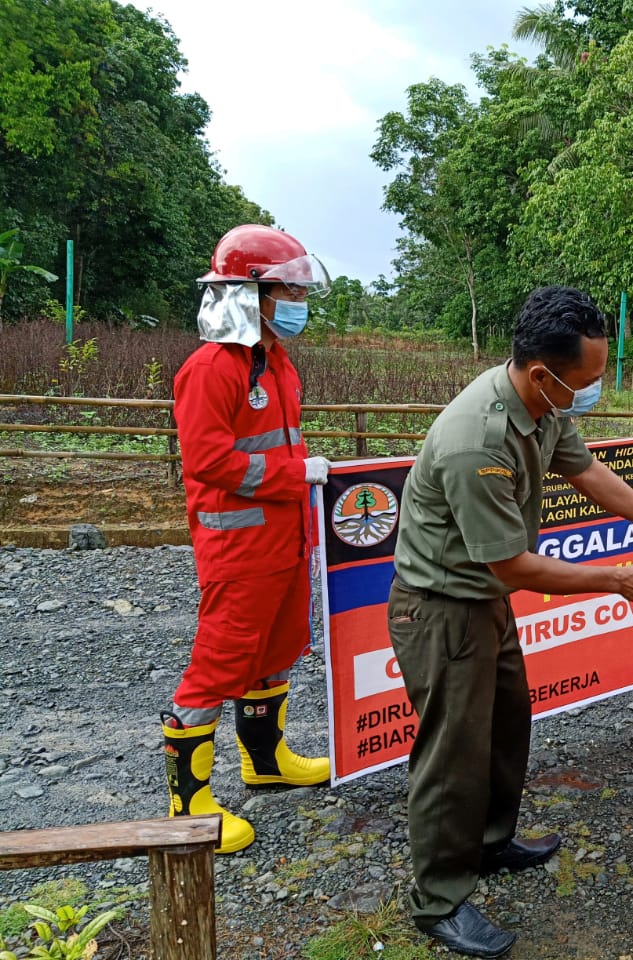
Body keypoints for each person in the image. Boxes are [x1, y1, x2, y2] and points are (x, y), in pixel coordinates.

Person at [389, 285, 633, 959]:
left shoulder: (541, 405)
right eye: (584, 383)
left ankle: (490, 843)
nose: (590, 394)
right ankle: (437, 898)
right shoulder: (480, 438)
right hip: (442, 608)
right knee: (451, 757)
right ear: (542, 374)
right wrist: (619, 579)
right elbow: (515, 567)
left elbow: (584, 468)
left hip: (482, 603)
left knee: (505, 729)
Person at [164, 224, 334, 855]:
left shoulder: (276, 362)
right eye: (288, 288)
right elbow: (208, 461)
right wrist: (296, 474)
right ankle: (189, 807)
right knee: (219, 665)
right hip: (239, 549)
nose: (298, 300)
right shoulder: (211, 368)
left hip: (287, 541)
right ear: (252, 293)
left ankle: (265, 762)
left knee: (278, 648)